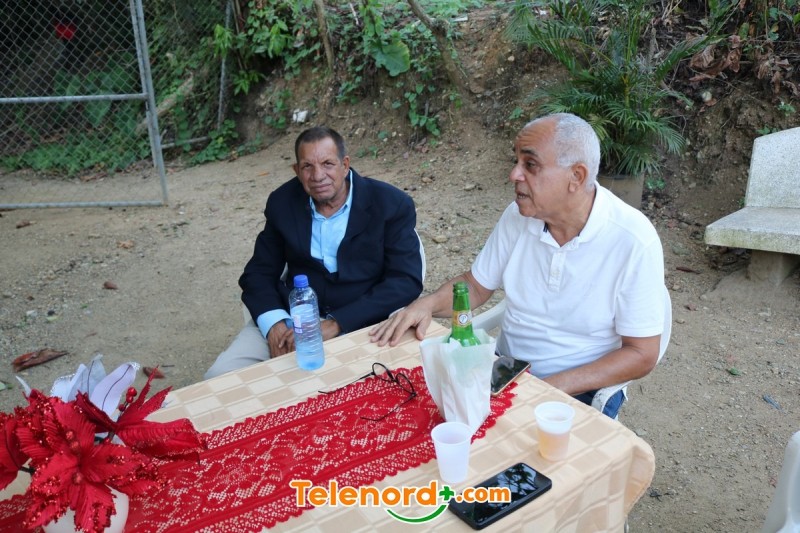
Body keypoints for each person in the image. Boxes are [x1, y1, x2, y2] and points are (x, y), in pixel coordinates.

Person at [369, 113, 666, 418]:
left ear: (576, 176)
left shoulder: (632, 240)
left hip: (581, 386)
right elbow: (475, 285)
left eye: (530, 165)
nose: (514, 174)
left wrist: (548, 389)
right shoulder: (519, 216)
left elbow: (642, 353)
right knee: (409, 410)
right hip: (505, 371)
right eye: (517, 162)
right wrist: (426, 305)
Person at [205, 126, 424, 379]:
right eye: (307, 166)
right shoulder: (282, 202)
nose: (318, 176)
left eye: (328, 164)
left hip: (364, 323)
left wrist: (338, 323)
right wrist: (274, 324)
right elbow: (258, 273)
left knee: (376, 388)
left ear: (345, 165)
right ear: (297, 171)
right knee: (218, 377)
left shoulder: (390, 203)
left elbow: (405, 280)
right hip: (291, 322)